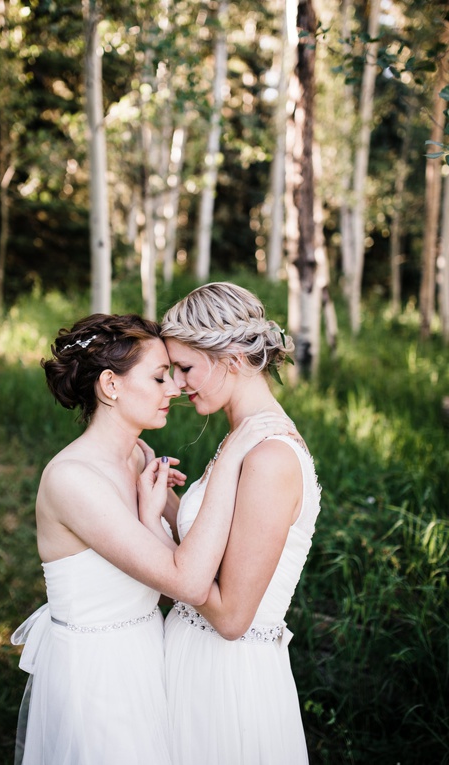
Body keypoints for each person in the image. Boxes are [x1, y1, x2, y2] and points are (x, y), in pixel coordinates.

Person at [11, 313, 292, 765]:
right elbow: (187, 583)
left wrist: (157, 508)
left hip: (147, 659)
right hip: (99, 678)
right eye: (160, 377)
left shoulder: (138, 460)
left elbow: (160, 577)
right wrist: (231, 458)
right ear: (111, 385)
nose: (175, 389)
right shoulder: (72, 480)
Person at [151, 281, 321, 764]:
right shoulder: (243, 438)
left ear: (229, 356)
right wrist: (162, 500)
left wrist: (169, 567)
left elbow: (231, 616)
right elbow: (215, 550)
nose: (179, 385)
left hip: (224, 683)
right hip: (192, 658)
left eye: (184, 368)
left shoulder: (269, 457)